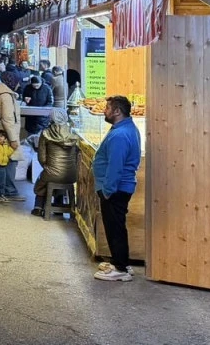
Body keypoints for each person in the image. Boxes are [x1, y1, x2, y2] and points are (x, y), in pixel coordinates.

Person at [93, 95, 142, 282]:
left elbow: (115, 166)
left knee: (115, 228)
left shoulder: (120, 135)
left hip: (115, 189)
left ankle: (120, 268)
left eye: (107, 108)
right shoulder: (127, 128)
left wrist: (107, 191)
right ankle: (122, 262)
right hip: (119, 188)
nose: (104, 111)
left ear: (117, 111)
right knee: (117, 226)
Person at [31, 108, 80, 216]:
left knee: (42, 182)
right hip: (71, 174)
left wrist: (46, 166)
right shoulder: (72, 132)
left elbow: (42, 157)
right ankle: (59, 204)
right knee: (60, 178)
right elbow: (76, 154)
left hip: (52, 172)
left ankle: (38, 207)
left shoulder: (46, 133)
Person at [0, 71, 23, 200]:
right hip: (6, 134)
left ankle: (2, 190)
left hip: (3, 132)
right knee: (9, 161)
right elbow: (8, 118)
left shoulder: (3, 94)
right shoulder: (6, 96)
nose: (18, 85)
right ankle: (8, 190)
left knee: (3, 161)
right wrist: (13, 139)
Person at [0, 130, 17, 203]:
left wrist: (13, 148)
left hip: (3, 167)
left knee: (2, 182)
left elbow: (8, 153)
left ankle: (1, 195)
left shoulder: (5, 146)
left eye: (1, 136)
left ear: (5, 138)